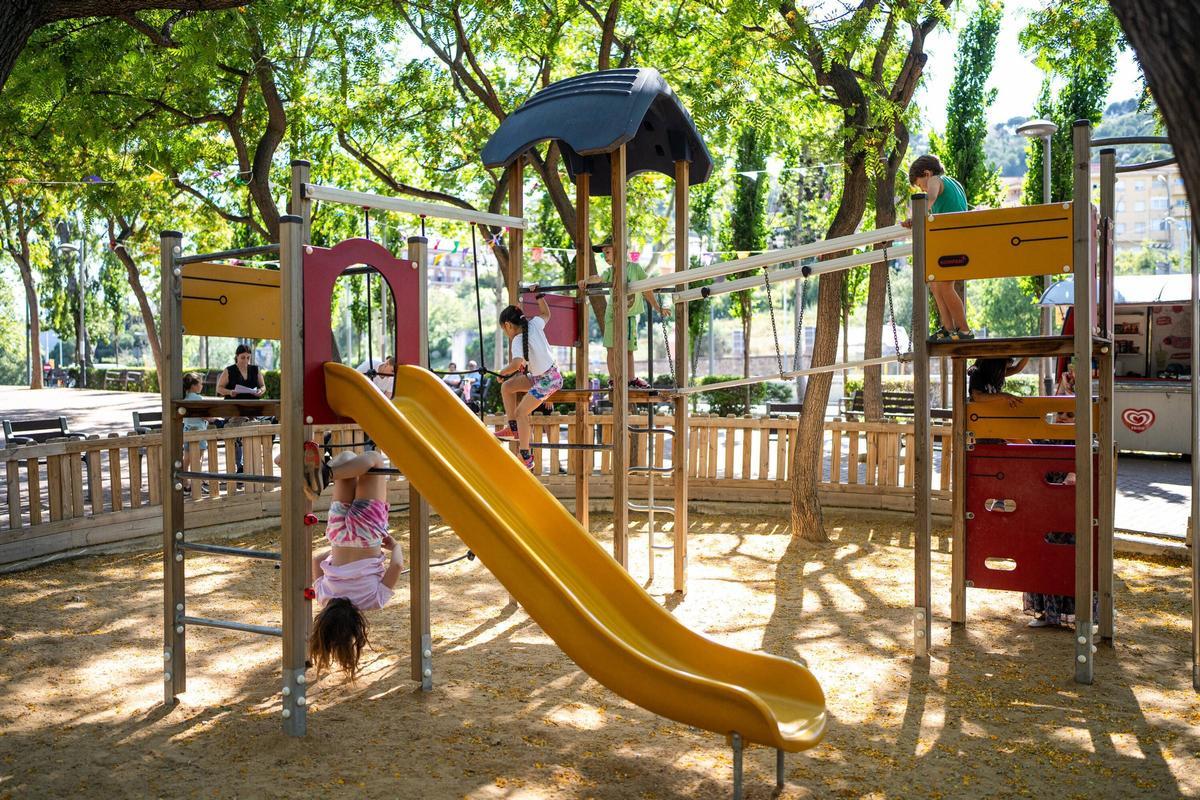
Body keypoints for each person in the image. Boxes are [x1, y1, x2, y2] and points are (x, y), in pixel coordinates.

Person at [304, 446, 402, 679]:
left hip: (368, 532)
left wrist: (396, 546)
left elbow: (396, 566)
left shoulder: (373, 600)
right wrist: (340, 550)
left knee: (375, 461)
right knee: (347, 460)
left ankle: (324, 475)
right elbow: (316, 560)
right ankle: (326, 473)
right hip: (338, 534)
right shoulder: (324, 597)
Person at [580, 235, 669, 387]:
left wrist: (657, 307)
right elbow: (598, 278)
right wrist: (586, 281)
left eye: (607, 252)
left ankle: (631, 379)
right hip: (613, 316)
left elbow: (647, 288)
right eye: (603, 253)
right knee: (611, 348)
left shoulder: (635, 268)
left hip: (630, 316)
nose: (604, 256)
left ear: (619, 251)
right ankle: (614, 379)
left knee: (629, 349)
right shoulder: (610, 271)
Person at [903, 154, 972, 341]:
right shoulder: (953, 183)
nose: (922, 188)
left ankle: (964, 330)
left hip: (954, 240)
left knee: (945, 287)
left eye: (920, 184)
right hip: (950, 239)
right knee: (935, 285)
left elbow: (930, 198)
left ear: (926, 173)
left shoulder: (935, 179)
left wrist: (915, 217)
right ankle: (948, 328)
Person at [494, 298, 562, 470]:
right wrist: (539, 297)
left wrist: (503, 372)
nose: (506, 333)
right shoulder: (534, 324)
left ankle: (526, 456)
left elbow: (516, 364)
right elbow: (546, 313)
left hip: (548, 379)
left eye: (504, 330)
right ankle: (513, 428)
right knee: (507, 387)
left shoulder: (517, 340)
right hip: (544, 376)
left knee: (521, 411)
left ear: (508, 325)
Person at [216, 344, 266, 474]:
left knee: (259, 427)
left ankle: (249, 464)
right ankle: (241, 464)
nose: (245, 360)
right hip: (234, 409)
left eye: (248, 358)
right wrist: (230, 392)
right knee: (239, 429)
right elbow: (219, 388)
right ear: (237, 357)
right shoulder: (229, 370)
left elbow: (263, 386)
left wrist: (260, 391)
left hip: (252, 409)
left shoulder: (255, 369)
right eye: (243, 357)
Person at [180, 373, 211, 497]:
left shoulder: (184, 398)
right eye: (200, 383)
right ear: (194, 386)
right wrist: (212, 419)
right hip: (199, 432)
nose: (202, 386)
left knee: (186, 459)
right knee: (198, 460)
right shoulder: (198, 399)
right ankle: (195, 485)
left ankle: (185, 483)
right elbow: (205, 415)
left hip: (187, 431)